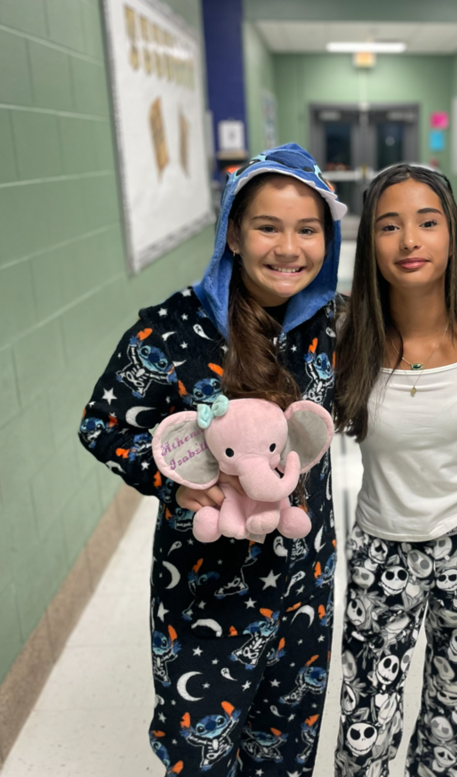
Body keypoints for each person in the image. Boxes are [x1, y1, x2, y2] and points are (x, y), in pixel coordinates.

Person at [78, 144, 347, 776]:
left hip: (305, 579)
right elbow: (102, 424)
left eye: (308, 230)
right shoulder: (175, 327)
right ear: (232, 232)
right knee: (200, 751)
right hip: (204, 585)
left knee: (285, 744)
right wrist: (173, 486)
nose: (290, 248)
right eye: (267, 227)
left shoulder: (329, 326)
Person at [333, 164, 457, 777]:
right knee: (364, 729)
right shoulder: (346, 335)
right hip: (381, 546)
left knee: (450, 729)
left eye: (427, 222)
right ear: (370, 243)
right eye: (390, 226)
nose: (410, 240)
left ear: (452, 235)